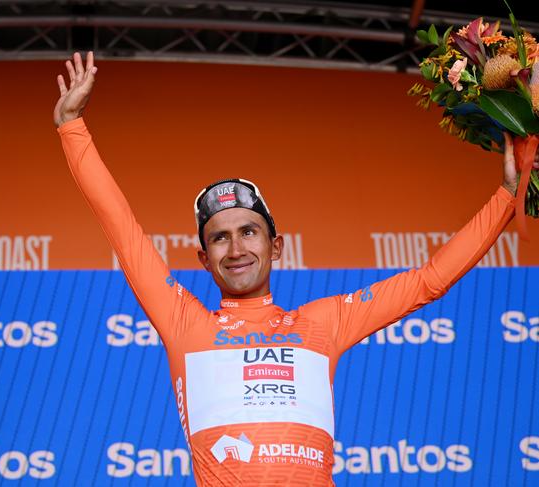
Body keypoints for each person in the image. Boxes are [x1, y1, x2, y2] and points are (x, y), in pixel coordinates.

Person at [54, 51, 536, 486]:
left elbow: (429, 280)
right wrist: (72, 125)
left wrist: (504, 197)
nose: (235, 248)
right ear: (203, 259)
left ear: (276, 246)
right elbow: (121, 227)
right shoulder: (184, 324)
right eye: (218, 237)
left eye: (248, 231)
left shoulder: (321, 325)